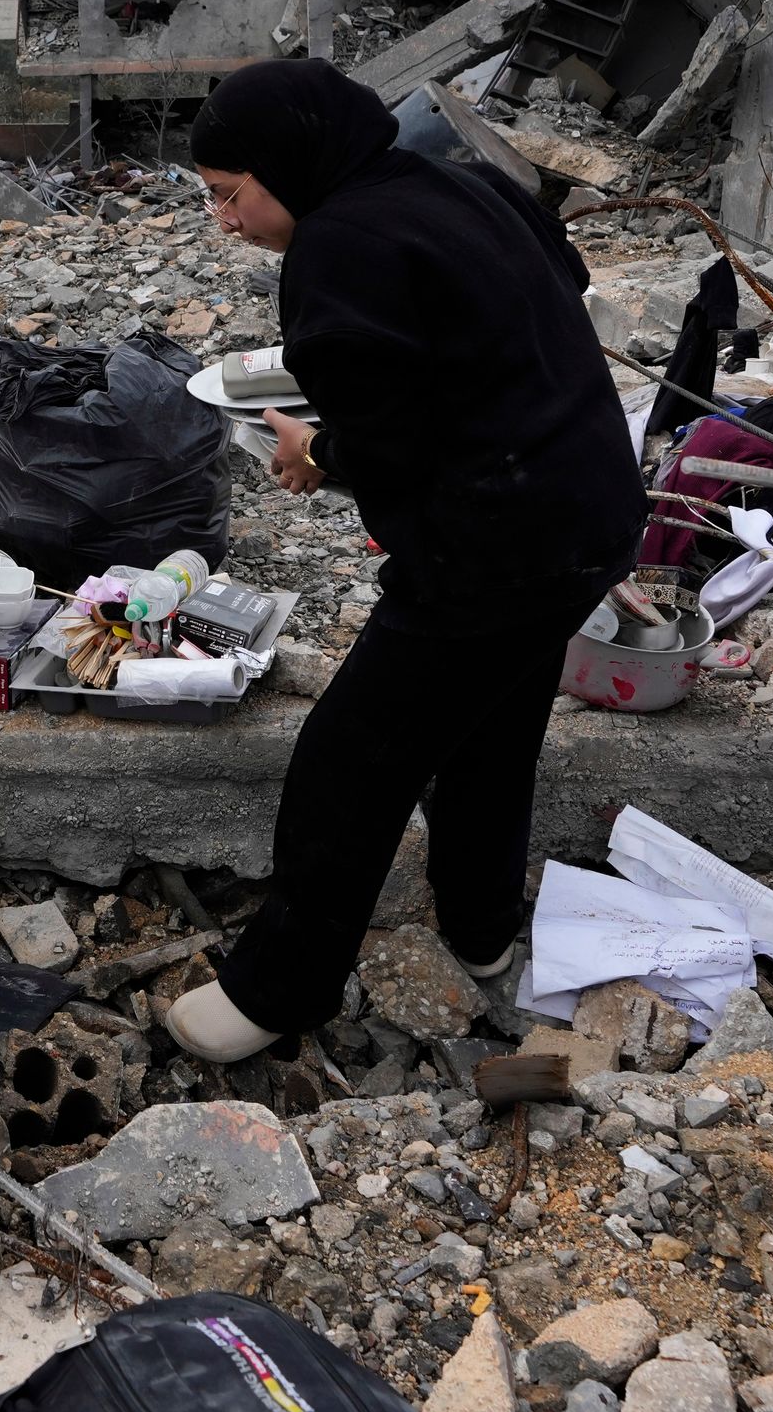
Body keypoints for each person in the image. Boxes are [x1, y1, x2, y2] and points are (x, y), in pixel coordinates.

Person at [162, 60, 644, 1061]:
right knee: (488, 731)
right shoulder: (446, 181)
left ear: (288, 163)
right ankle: (479, 930)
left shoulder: (337, 248)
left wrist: (317, 450)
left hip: (495, 546)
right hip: (587, 515)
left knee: (353, 761)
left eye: (228, 193)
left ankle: (276, 990)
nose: (224, 219)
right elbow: (556, 284)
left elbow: (394, 440)